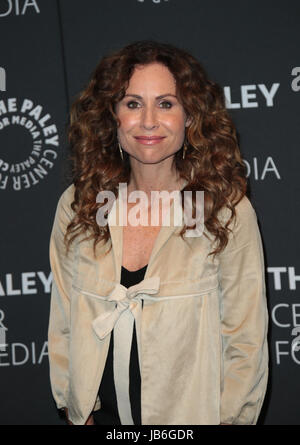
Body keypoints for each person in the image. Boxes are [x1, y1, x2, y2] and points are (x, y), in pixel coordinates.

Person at [47, 40, 269, 426]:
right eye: (133, 103)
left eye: (166, 103)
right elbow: (64, 317)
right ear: (111, 115)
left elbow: (245, 342)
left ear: (190, 116)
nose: (148, 121)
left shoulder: (225, 211)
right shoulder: (80, 205)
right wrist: (73, 407)